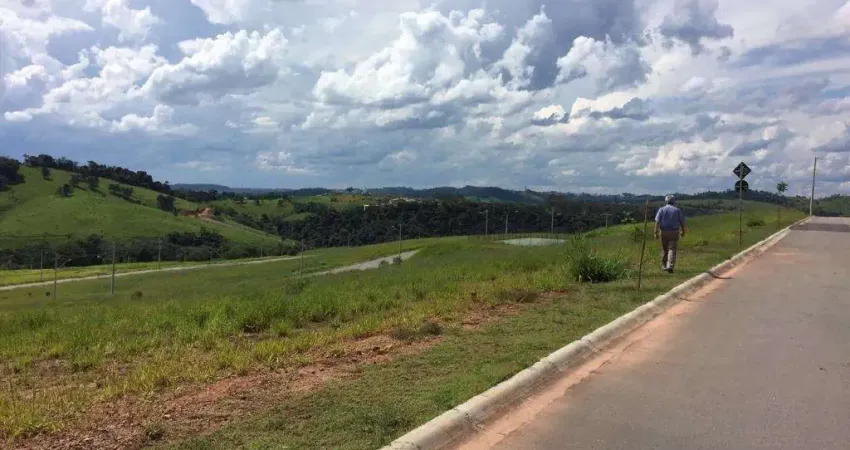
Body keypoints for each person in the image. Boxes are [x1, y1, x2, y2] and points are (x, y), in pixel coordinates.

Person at [654, 195, 687, 273]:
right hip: (674, 232)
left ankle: (664, 265)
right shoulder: (677, 210)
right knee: (672, 249)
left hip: (664, 232)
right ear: (674, 201)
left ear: (666, 201)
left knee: (664, 249)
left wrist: (655, 232)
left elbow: (657, 221)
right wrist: (683, 231)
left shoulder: (661, 210)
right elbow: (682, 222)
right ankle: (670, 265)